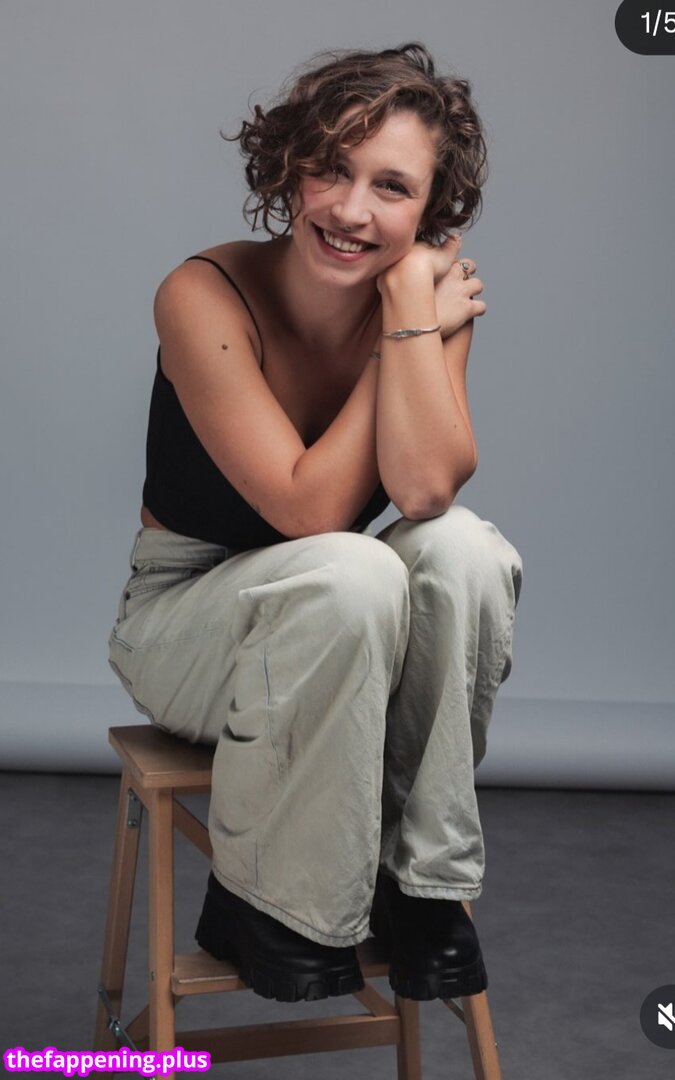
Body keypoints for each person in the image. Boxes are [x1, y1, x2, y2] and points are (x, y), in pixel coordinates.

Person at [108, 42, 523, 1005]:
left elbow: (425, 492)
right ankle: (271, 899)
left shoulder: (425, 307)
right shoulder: (202, 294)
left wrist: (408, 313)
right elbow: (308, 510)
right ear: (288, 167)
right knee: (350, 565)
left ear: (431, 211)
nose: (350, 210)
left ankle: (421, 889)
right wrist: (402, 333)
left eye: (391, 186)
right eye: (330, 168)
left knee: (460, 549)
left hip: (344, 630)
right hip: (185, 624)